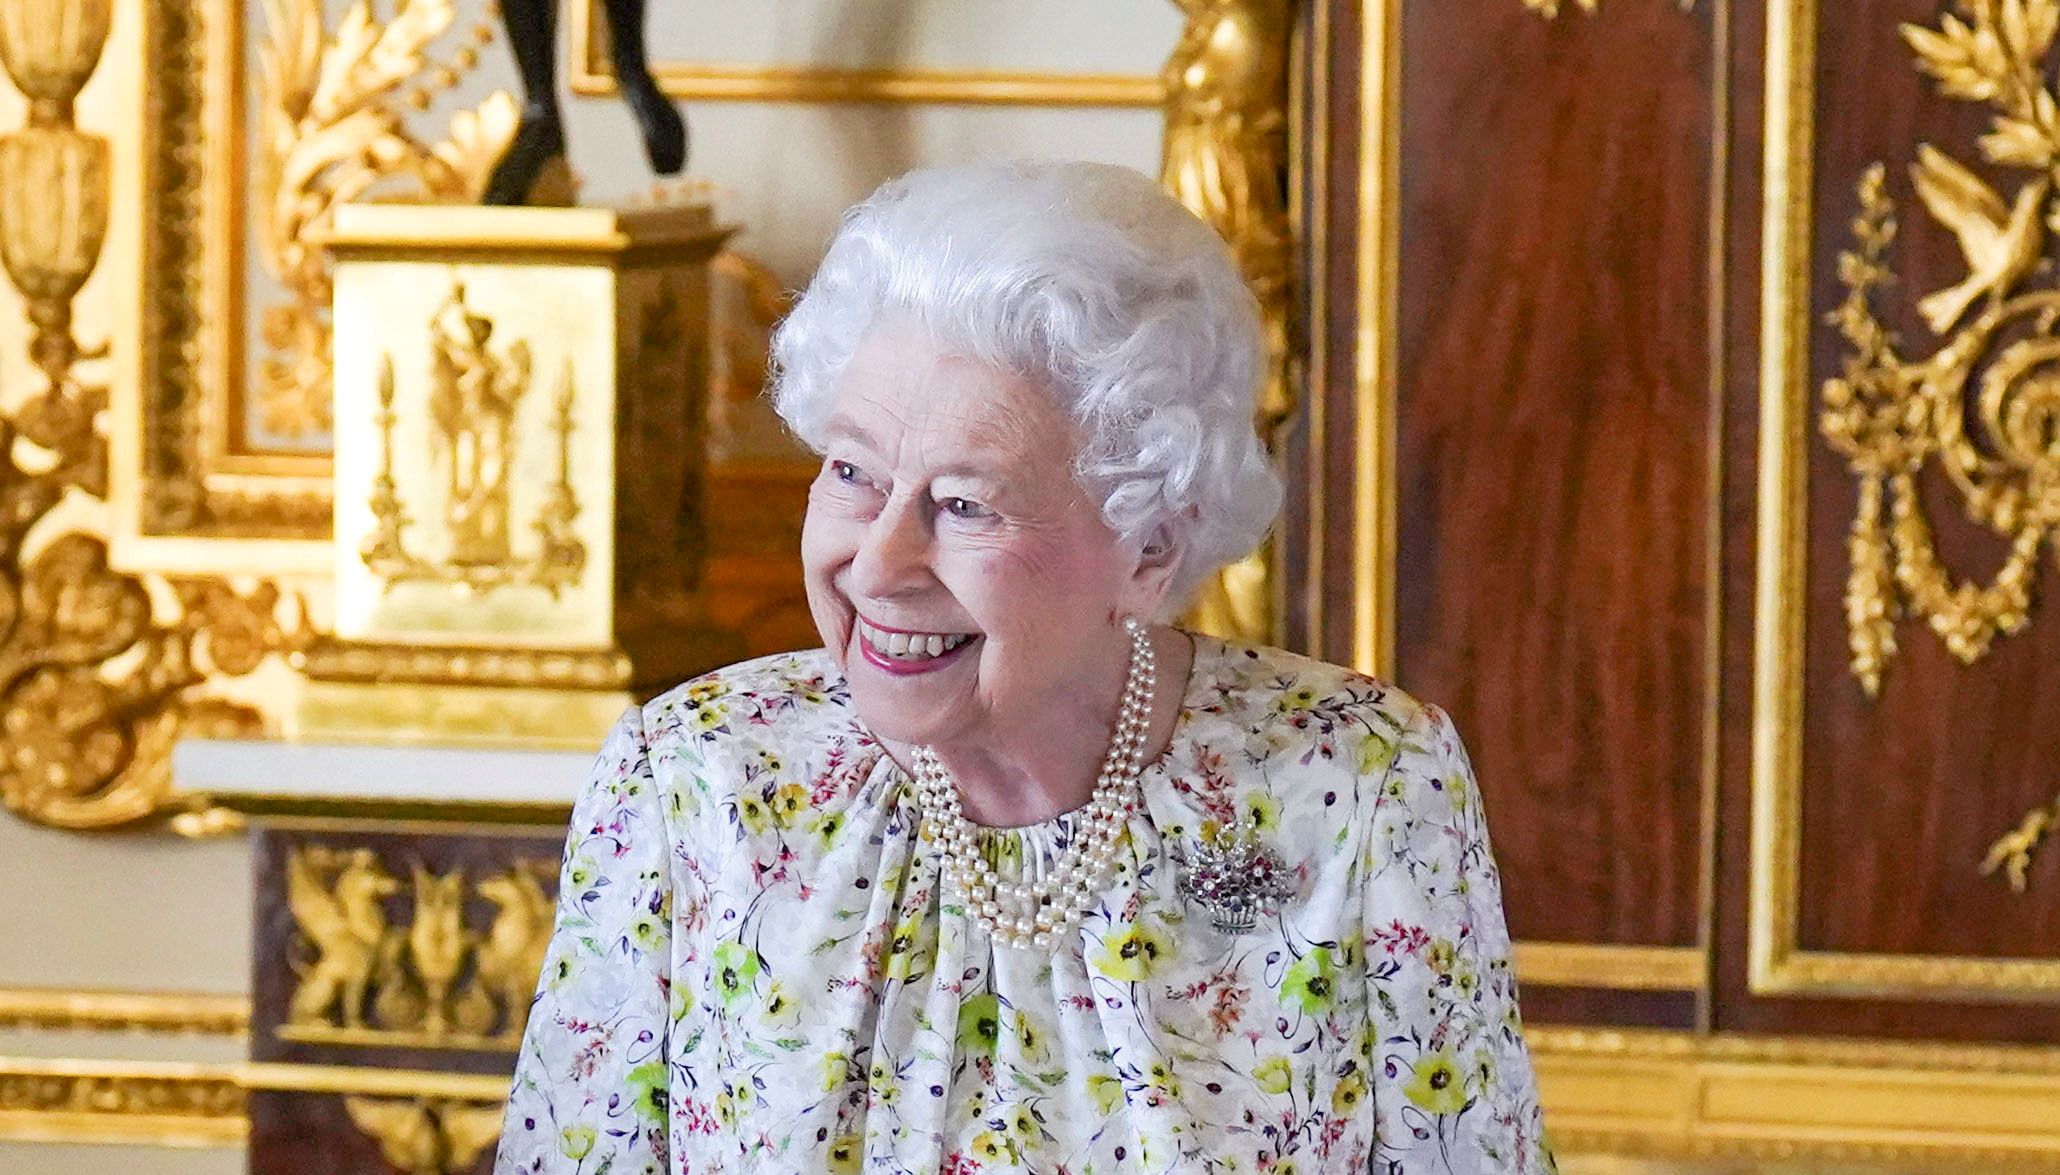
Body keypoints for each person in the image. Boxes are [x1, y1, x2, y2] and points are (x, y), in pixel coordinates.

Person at [494, 160, 1555, 1174]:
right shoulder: (694, 784)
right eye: (853, 472)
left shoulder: (1357, 789)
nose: (876, 561)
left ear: (1147, 546)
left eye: (963, 504)